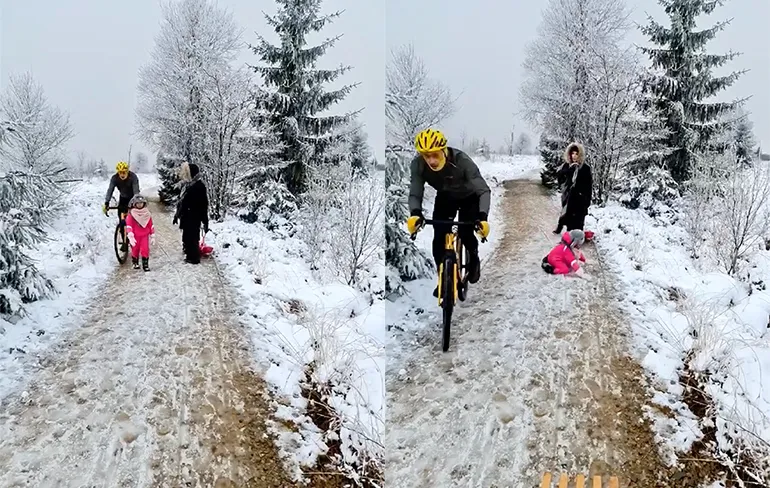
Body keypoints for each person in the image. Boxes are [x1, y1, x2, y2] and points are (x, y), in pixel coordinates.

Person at [406, 128, 491, 296]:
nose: (431, 160)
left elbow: (483, 190)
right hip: (446, 197)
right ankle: (443, 279)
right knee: (439, 236)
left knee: (466, 232)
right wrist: (415, 213)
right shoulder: (418, 165)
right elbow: (415, 193)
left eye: (435, 154)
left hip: (470, 197)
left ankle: (473, 257)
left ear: (443, 150)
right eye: (426, 155)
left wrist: (482, 217)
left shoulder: (462, 161)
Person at [173, 162, 209, 264]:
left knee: (192, 237)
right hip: (186, 216)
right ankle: (188, 252)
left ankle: (193, 257)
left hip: (194, 217)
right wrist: (177, 215)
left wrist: (205, 221)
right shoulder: (188, 185)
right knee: (187, 236)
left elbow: (204, 204)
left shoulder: (199, 186)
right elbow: (182, 203)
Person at [554, 142, 593, 234]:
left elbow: (588, 185)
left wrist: (587, 200)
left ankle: (577, 236)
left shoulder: (585, 168)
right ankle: (563, 231)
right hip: (568, 196)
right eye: (572, 153)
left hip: (580, 197)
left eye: (576, 154)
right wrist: (567, 172)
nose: (574, 156)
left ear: (580, 155)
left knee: (578, 219)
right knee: (567, 215)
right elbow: (560, 179)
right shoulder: (566, 166)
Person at [103, 161, 140, 251]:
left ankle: (136, 235)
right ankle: (124, 240)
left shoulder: (133, 177)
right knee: (122, 219)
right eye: (120, 172)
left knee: (133, 218)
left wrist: (135, 203)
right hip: (123, 198)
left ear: (127, 171)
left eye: (124, 172)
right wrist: (107, 202)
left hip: (133, 198)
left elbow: (136, 192)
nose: (122, 175)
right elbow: (110, 190)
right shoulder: (115, 178)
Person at [125, 195, 155, 271]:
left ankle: (145, 264)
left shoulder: (147, 213)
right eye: (138, 203)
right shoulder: (131, 214)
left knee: (145, 249)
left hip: (144, 235)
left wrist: (152, 235)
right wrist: (130, 235)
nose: (139, 205)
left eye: (141, 203)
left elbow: (150, 224)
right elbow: (129, 225)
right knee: (135, 249)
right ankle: (135, 262)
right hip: (135, 236)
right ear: (134, 204)